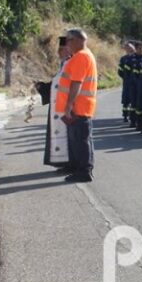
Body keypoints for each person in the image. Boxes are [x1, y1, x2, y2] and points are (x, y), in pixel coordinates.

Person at [56, 28, 98, 183]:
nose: (67, 43)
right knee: (77, 140)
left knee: (81, 140)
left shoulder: (81, 57)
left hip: (79, 107)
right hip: (79, 107)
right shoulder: (81, 56)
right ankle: (77, 167)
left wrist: (68, 106)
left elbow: (76, 83)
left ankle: (84, 171)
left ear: (79, 40)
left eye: (69, 40)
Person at [36, 36, 71, 170]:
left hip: (66, 105)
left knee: (67, 136)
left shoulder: (70, 63)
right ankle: (63, 163)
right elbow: (56, 84)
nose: (59, 52)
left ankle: (69, 164)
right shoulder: (64, 63)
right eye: (59, 49)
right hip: (59, 105)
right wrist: (43, 87)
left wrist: (44, 88)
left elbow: (64, 85)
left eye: (62, 49)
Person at [118, 43, 136, 122]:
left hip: (136, 82)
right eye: (127, 48)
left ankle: (133, 116)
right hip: (127, 82)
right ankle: (125, 115)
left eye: (130, 47)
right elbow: (120, 71)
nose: (129, 49)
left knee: (134, 98)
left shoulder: (137, 57)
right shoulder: (123, 59)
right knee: (126, 99)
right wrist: (125, 77)